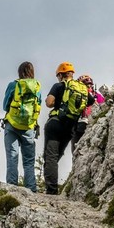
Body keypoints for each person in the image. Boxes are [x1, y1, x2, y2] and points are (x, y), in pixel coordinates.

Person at [43, 62, 95, 195]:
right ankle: (53, 185)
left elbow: (49, 103)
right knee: (58, 154)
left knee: (51, 157)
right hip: (70, 127)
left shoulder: (59, 86)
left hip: (55, 123)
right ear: (72, 73)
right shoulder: (82, 88)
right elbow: (90, 101)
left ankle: (52, 190)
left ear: (60, 75)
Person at [2, 61, 41, 193]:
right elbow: (38, 104)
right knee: (29, 161)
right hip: (29, 127)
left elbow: (5, 105)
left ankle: (12, 187)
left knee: (12, 157)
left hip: (12, 125)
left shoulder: (14, 85)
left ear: (19, 72)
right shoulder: (36, 87)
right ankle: (31, 188)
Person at [71, 74, 105, 154]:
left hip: (81, 124)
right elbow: (103, 105)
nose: (88, 87)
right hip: (93, 123)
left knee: (76, 150)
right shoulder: (97, 95)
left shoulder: (77, 94)